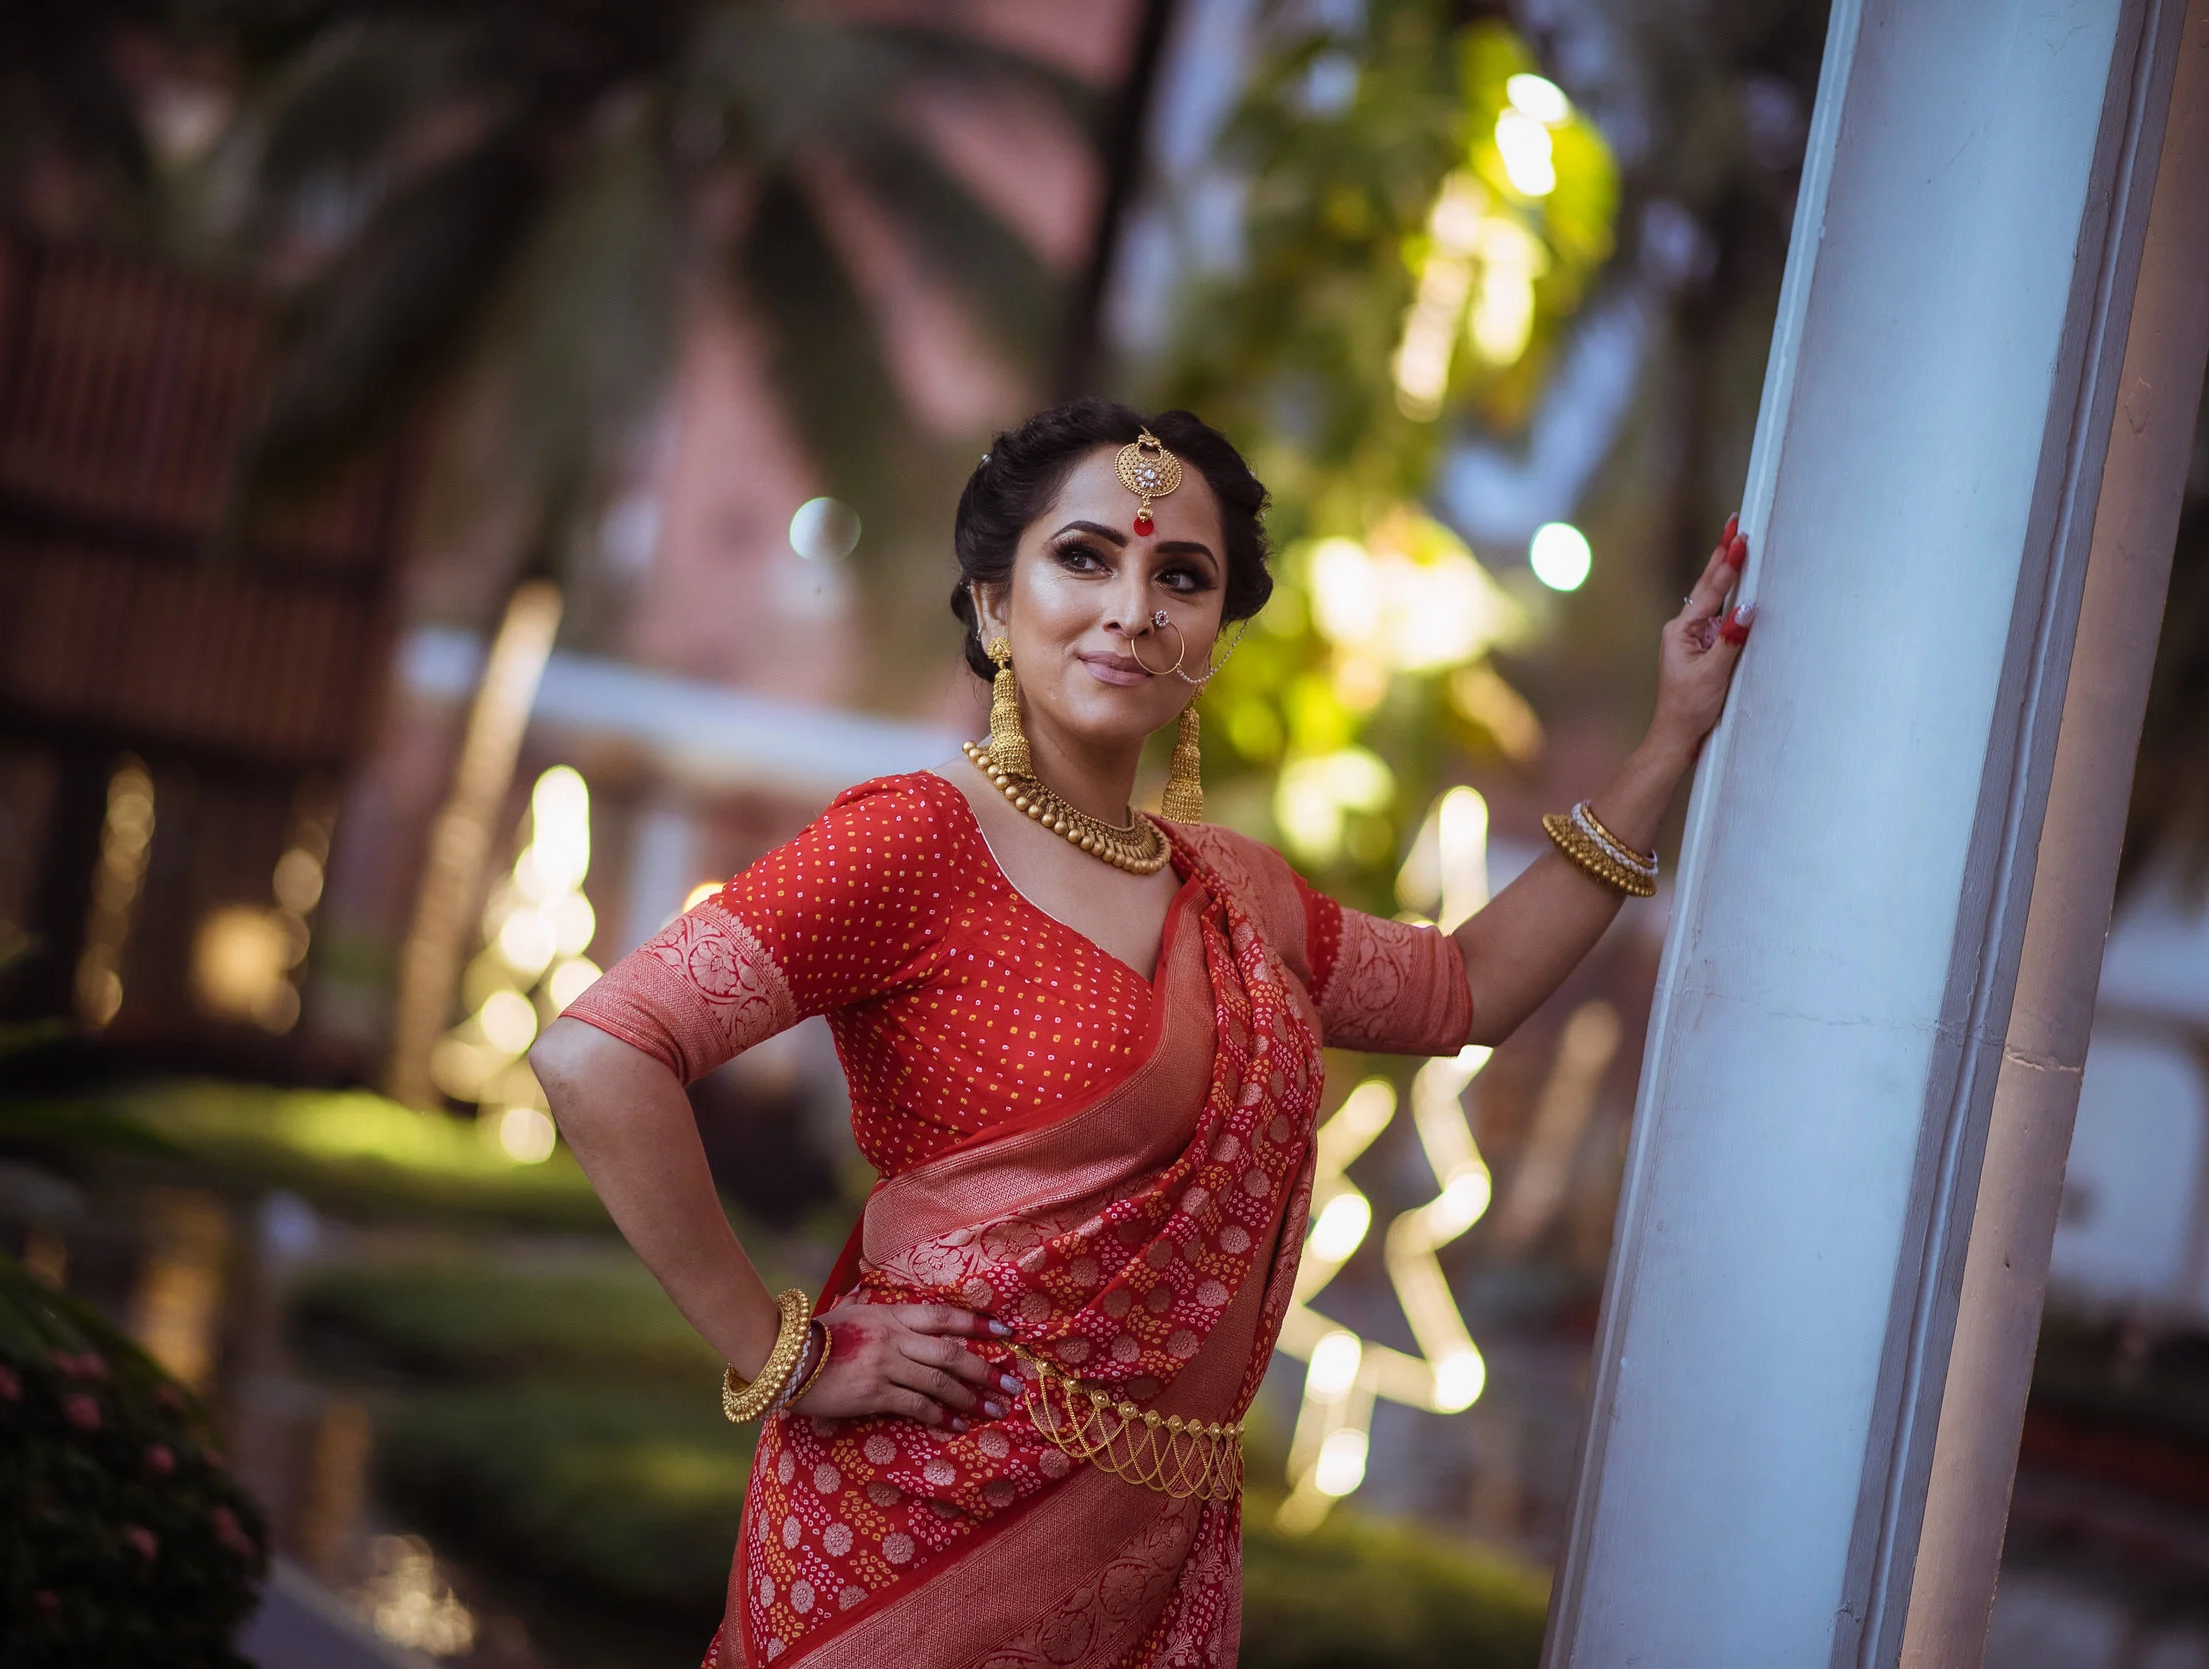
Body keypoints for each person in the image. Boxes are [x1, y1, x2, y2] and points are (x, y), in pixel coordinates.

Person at [531, 398, 1753, 1667]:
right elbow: (598, 1055)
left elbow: (1463, 987)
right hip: (912, 1525)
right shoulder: (913, 840)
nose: (1132, 607)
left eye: (1181, 576)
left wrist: (1667, 738)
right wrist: (780, 1348)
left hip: (1151, 1548)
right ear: (994, 606)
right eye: (1083, 556)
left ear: (1213, 641)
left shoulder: (1236, 892)